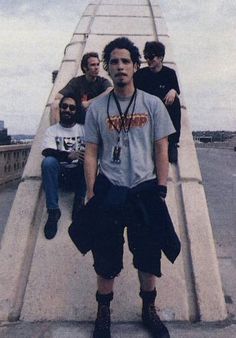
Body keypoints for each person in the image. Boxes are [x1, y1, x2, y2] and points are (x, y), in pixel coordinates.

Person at [82, 37, 181, 338]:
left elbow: (161, 148)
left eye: (126, 61)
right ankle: (103, 313)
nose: (120, 66)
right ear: (108, 69)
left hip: (143, 189)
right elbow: (90, 152)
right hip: (110, 189)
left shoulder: (151, 104)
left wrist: (161, 188)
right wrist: (91, 191)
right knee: (105, 256)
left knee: (149, 255)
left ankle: (148, 309)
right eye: (114, 61)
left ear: (135, 66)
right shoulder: (98, 107)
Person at [41, 95, 86, 240]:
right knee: (48, 162)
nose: (68, 110)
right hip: (60, 176)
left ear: (76, 111)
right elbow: (47, 151)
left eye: (72, 108)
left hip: (78, 176)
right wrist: (69, 155)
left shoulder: (83, 130)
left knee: (88, 161)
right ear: (60, 108)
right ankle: (53, 211)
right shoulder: (52, 131)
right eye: (65, 106)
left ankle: (79, 203)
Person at [134, 41, 181, 163]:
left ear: (160, 58)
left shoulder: (169, 73)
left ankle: (173, 143)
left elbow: (176, 90)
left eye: (151, 57)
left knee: (175, 101)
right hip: (145, 110)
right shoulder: (140, 75)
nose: (148, 60)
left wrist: (173, 91)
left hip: (163, 109)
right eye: (146, 57)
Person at [50, 52, 112, 125]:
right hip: (78, 116)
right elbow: (58, 96)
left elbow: (111, 91)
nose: (96, 67)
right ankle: (56, 134)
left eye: (98, 64)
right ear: (85, 68)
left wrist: (89, 103)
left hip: (97, 117)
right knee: (55, 104)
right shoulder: (76, 82)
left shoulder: (102, 81)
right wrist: (75, 104)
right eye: (93, 65)